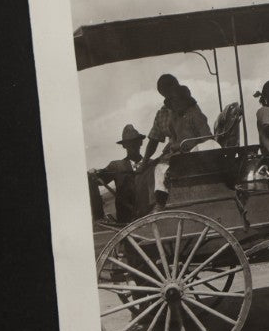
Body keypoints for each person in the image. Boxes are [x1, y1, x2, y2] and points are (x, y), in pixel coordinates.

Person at [144, 73, 215, 207]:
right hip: (180, 154)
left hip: (194, 152)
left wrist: (184, 147)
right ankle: (161, 199)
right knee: (159, 168)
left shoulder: (194, 114)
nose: (173, 106)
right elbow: (174, 142)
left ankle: (164, 201)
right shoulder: (174, 120)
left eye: (175, 101)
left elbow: (205, 137)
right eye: (171, 102)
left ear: (184, 101)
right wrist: (172, 150)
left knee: (207, 146)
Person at [89, 123, 152, 223]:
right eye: (129, 143)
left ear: (140, 143)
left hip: (151, 217)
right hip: (126, 222)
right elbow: (98, 181)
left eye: (135, 142)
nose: (133, 146)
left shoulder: (151, 164)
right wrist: (92, 174)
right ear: (124, 146)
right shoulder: (116, 166)